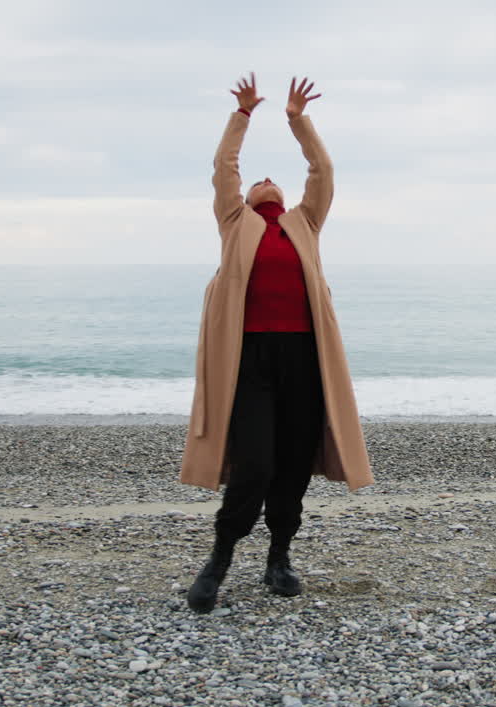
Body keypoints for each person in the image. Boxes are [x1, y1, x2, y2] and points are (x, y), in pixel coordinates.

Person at [179, 74, 374, 614]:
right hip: (250, 363)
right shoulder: (235, 221)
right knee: (255, 466)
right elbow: (224, 169)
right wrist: (242, 116)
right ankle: (219, 558)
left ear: (285, 198)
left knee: (291, 465)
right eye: (256, 179)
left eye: (274, 180)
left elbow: (323, 171)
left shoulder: (305, 222)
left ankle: (279, 556)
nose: (265, 179)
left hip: (304, 362)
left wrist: (296, 120)